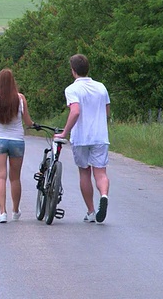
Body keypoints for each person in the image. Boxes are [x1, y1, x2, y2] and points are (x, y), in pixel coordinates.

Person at [55, 54, 111, 224]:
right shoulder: (101, 87)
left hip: (81, 137)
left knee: (84, 172)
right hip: (100, 136)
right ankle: (104, 195)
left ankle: (91, 211)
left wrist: (64, 132)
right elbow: (107, 112)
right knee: (100, 172)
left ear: (73, 71)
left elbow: (76, 111)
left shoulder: (72, 89)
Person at [0, 69, 35, 223]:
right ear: (13, 82)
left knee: (0, 176)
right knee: (15, 178)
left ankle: (2, 213)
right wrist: (35, 126)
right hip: (17, 141)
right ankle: (15, 210)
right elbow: (28, 122)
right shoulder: (20, 99)